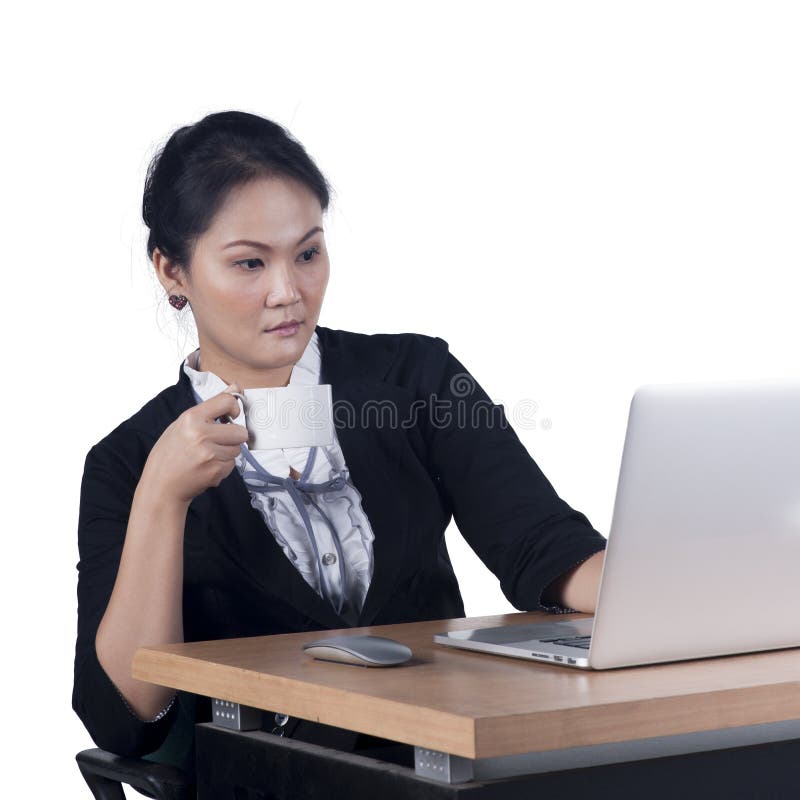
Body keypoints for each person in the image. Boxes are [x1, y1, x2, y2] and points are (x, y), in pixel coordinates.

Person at [71, 110, 607, 778]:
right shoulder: (129, 460)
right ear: (172, 271)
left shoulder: (416, 379)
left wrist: (668, 598)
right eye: (248, 263)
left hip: (438, 759)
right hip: (269, 778)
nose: (287, 292)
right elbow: (126, 713)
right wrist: (162, 498)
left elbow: (542, 545)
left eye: (307, 253)